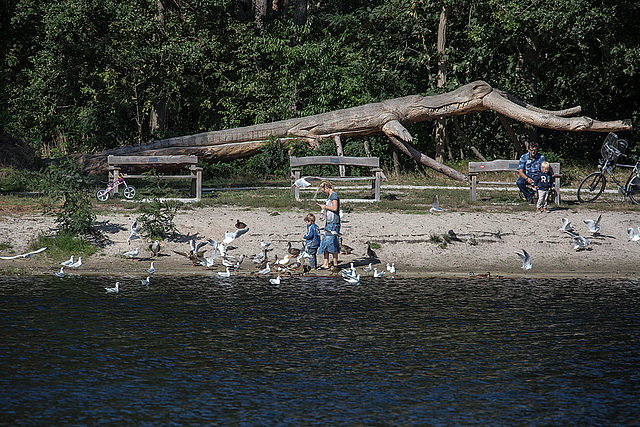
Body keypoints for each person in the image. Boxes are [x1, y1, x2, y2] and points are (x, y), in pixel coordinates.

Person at [316, 181, 340, 270]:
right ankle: (325, 263)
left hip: (334, 223)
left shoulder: (334, 195)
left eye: (323, 191)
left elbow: (335, 208)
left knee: (333, 242)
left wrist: (324, 207)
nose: (324, 192)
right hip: (329, 222)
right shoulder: (330, 196)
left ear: (327, 187)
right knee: (325, 242)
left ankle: (335, 264)